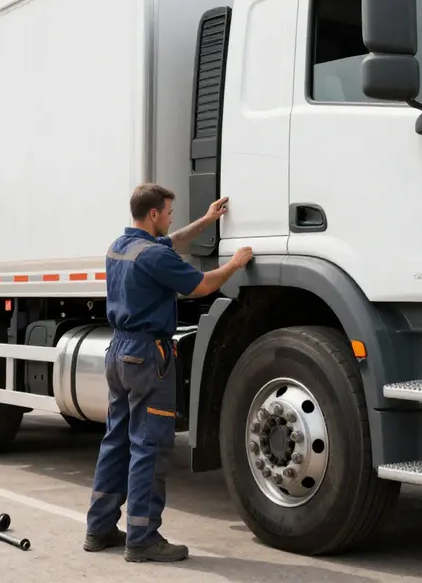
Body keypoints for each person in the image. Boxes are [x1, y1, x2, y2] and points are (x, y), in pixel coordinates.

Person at [83, 183, 253, 563]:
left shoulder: (121, 247)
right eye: (169, 212)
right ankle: (142, 537)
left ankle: (99, 528)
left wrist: (206, 220)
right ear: (154, 214)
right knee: (149, 446)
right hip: (147, 355)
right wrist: (235, 263)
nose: (172, 218)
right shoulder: (153, 258)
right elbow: (202, 285)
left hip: (119, 351)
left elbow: (169, 242)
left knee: (117, 441)